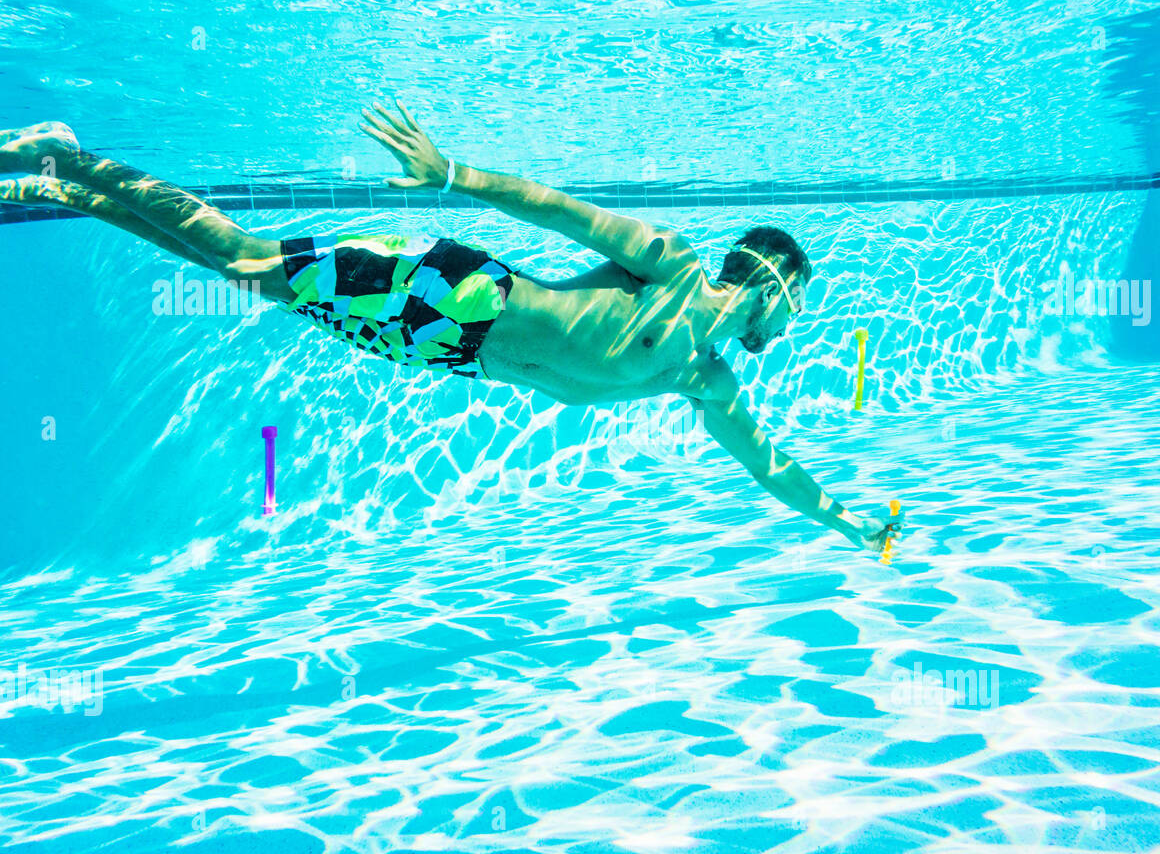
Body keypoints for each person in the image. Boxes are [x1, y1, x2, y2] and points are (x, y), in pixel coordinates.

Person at [0, 105, 903, 550]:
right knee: (242, 260)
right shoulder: (670, 266)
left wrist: (852, 525)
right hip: (460, 291)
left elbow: (771, 469)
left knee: (244, 278)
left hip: (443, 349)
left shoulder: (706, 381)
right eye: (798, 305)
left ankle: (60, 174)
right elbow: (561, 213)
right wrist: (452, 171)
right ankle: (62, 164)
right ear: (776, 281)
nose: (791, 327)